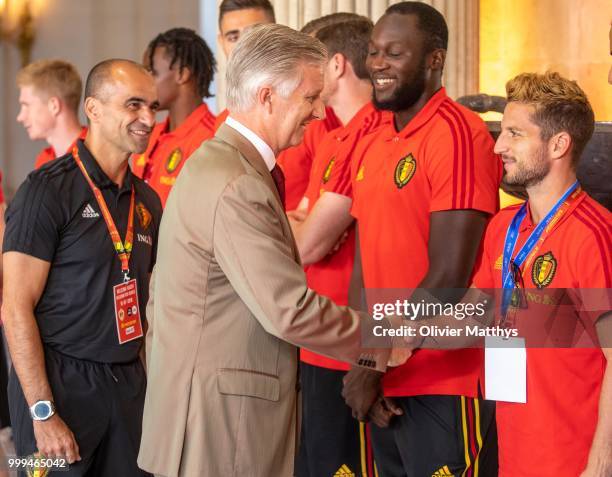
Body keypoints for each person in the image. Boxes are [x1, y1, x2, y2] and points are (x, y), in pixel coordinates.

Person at [138, 24, 408, 477]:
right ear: (266, 97)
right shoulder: (237, 180)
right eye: (309, 98)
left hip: (207, 411)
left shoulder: (223, 162)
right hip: (221, 425)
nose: (319, 112)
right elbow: (288, 310)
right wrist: (381, 338)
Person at [341, 3, 501, 476]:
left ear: (434, 59)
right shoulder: (374, 143)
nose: (378, 65)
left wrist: (373, 364)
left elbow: (450, 274)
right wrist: (366, 359)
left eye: (394, 53)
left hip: (445, 381)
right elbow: (364, 266)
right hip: (385, 381)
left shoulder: (458, 134)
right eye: (373, 53)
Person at [2, 59, 162, 476]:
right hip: (58, 385)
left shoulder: (147, 202)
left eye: (152, 107)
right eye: (134, 105)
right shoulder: (46, 190)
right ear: (93, 108)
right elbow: (15, 307)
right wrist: (42, 413)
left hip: (126, 385)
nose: (148, 119)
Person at [470, 71, 611, 477]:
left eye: (515, 133)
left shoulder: (594, 234)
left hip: (573, 461)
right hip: (513, 453)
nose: (499, 146)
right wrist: (395, 331)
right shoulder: (502, 226)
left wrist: (601, 464)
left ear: (558, 144)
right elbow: (476, 311)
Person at [287, 19, 389, 477]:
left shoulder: (375, 132)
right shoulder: (331, 138)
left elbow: (307, 244)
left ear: (336, 64)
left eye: (309, 66)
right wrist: (305, 224)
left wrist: (309, 225)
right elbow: (296, 226)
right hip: (315, 337)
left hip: (353, 339)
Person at [277, 13, 368, 211]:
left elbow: (311, 239)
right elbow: (303, 218)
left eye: (312, 61)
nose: (302, 73)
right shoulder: (333, 140)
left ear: (337, 64)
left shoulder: (366, 135)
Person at [132, 28, 217, 207]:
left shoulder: (211, 140)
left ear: (181, 74)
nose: (142, 82)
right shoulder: (148, 133)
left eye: (152, 72)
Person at [214, 0, 276, 130]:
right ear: (222, 42)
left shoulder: (310, 113)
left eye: (254, 34)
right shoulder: (222, 125)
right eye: (233, 38)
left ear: (276, 33)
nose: (243, 46)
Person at [16, 59, 87, 169]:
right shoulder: (44, 159)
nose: (20, 117)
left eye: (26, 105)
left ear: (54, 106)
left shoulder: (94, 155)